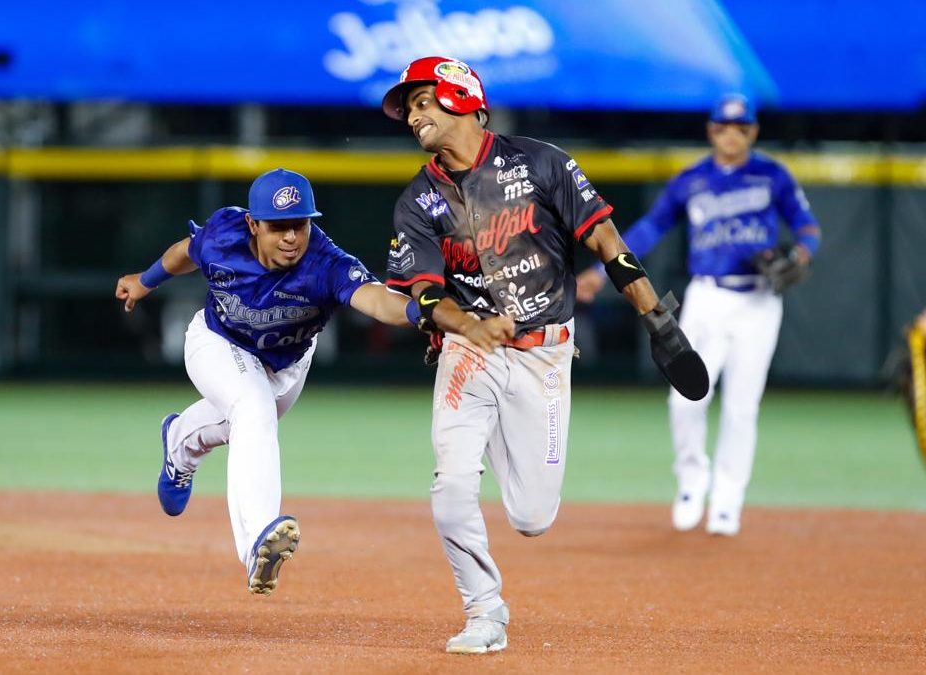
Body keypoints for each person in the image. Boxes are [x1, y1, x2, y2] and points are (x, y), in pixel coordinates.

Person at [380, 56, 707, 654]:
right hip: (467, 353)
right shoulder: (417, 201)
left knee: (532, 516)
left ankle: (505, 439)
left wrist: (658, 321)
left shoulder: (541, 162)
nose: (413, 117)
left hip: (545, 355)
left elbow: (606, 241)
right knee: (451, 485)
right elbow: (424, 294)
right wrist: (466, 326)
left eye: (423, 102)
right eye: (408, 110)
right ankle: (484, 609)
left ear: (462, 98)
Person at [115, 168, 449, 596]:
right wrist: (144, 282)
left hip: (286, 364)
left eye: (300, 224)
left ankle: (180, 441)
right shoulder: (225, 233)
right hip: (216, 341)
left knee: (247, 421)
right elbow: (185, 251)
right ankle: (257, 541)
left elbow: (378, 299)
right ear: (253, 225)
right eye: (278, 227)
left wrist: (425, 312)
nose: (291, 236)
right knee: (252, 410)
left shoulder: (326, 263)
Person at [577, 93, 823, 538]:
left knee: (742, 407)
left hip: (760, 301)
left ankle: (728, 500)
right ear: (712, 131)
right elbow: (650, 227)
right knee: (685, 396)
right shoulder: (691, 180)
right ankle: (692, 482)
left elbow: (807, 225)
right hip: (707, 297)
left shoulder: (773, 176)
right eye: (724, 127)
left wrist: (803, 255)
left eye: (741, 127)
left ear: (752, 131)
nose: (732, 134)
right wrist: (601, 269)